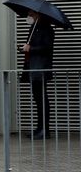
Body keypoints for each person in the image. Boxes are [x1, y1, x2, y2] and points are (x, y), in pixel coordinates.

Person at [21, 10, 54, 140]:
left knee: (42, 100)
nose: (29, 17)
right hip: (32, 68)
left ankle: (45, 130)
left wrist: (31, 49)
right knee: (38, 99)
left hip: (40, 68)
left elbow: (47, 47)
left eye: (31, 14)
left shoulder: (47, 30)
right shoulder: (33, 28)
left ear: (39, 15)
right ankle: (39, 128)